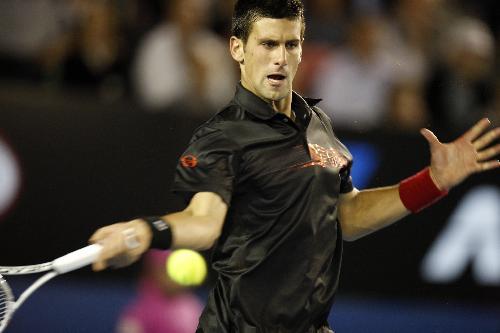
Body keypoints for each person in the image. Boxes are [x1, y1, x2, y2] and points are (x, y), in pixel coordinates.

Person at [89, 1, 500, 332]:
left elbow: (347, 216)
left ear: (303, 47)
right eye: (267, 44)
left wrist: (433, 181)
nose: (280, 59)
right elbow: (204, 222)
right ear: (237, 49)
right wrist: (144, 231)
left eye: (290, 44)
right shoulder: (221, 137)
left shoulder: (318, 124)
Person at [116, 250, 203, 333]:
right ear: (152, 271)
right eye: (166, 270)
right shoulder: (138, 312)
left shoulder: (193, 305)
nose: (173, 277)